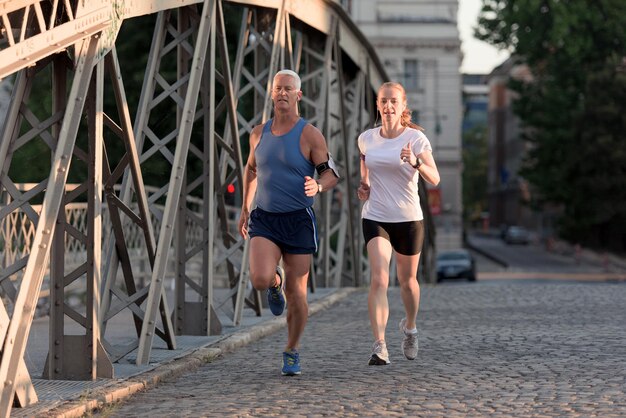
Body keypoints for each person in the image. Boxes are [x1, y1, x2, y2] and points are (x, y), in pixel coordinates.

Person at [238, 69, 338, 376]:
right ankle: (274, 282)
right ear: (271, 94)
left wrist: (318, 186)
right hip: (265, 218)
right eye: (277, 88)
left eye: (288, 89)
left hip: (298, 220)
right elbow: (252, 170)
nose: (282, 93)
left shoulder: (310, 134)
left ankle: (292, 349)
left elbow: (331, 173)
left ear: (298, 95)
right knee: (259, 278)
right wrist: (245, 207)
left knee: (298, 294)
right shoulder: (258, 133)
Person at [357, 81, 440, 365]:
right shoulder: (366, 138)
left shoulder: (415, 140)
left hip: (408, 219)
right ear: (378, 105)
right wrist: (364, 186)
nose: (388, 106)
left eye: (394, 101)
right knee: (380, 278)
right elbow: (365, 164)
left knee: (408, 283)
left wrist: (415, 162)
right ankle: (379, 345)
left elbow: (435, 177)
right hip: (376, 216)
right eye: (383, 101)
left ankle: (410, 327)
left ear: (403, 106)